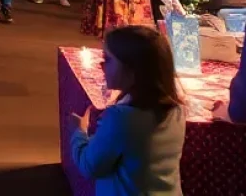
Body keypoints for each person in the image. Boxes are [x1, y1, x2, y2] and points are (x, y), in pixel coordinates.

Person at [70, 25, 185, 195]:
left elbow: (90, 166)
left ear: (133, 70)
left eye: (108, 59)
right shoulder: (176, 110)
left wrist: (79, 131)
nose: (101, 65)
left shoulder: (122, 118)